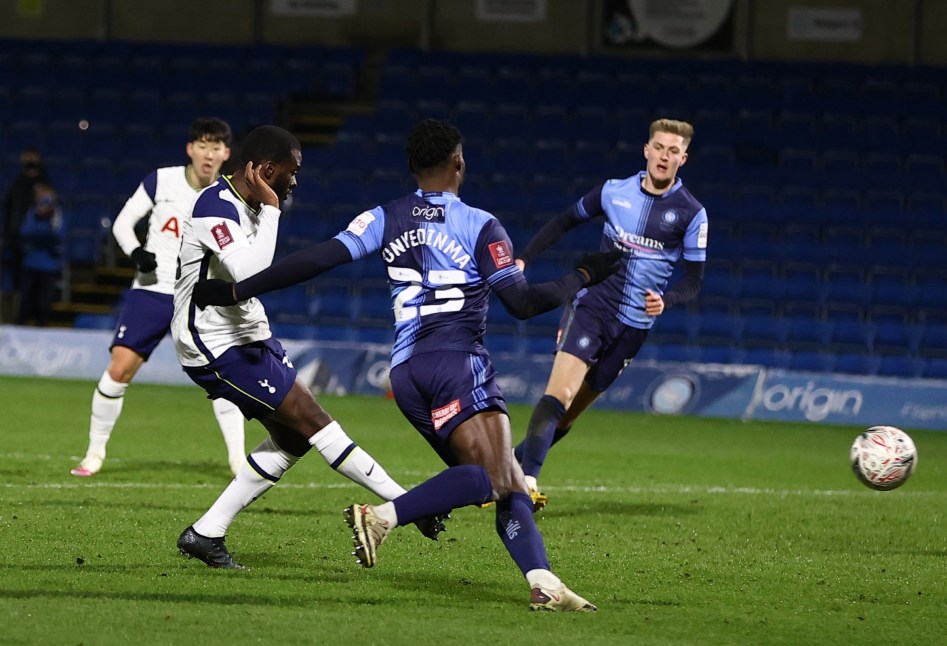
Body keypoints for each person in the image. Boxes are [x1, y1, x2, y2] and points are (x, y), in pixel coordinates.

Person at [191, 119, 622, 610]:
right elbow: (521, 303)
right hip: (456, 361)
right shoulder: (480, 224)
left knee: (500, 479)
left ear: (413, 167)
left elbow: (317, 259)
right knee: (497, 475)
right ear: (458, 162)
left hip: (408, 374)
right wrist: (585, 274)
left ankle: (543, 582)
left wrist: (236, 290)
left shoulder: (384, 216)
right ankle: (382, 517)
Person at [171, 124, 445, 570]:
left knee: (295, 437)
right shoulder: (215, 206)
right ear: (264, 169)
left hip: (246, 334)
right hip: (212, 342)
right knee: (316, 421)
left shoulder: (249, 203)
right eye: (290, 173)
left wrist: (270, 207)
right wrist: (275, 209)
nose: (295, 182)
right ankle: (408, 505)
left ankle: (206, 533)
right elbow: (247, 273)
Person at [512, 118, 707, 509]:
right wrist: (523, 258)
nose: (664, 156)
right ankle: (526, 483)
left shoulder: (692, 213)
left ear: (683, 159)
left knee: (567, 417)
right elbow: (564, 221)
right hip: (593, 306)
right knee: (560, 393)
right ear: (646, 150)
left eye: (673, 151)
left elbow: (694, 279)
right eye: (659, 147)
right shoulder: (613, 192)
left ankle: (502, 472)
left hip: (635, 326)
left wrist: (666, 301)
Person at [70, 118, 247, 477]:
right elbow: (122, 223)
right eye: (202, 145)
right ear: (190, 148)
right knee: (118, 370)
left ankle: (237, 461)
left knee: (223, 380)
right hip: (153, 290)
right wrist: (136, 253)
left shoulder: (230, 197)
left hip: (199, 298)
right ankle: (94, 454)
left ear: (226, 153)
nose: (208, 154)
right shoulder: (162, 180)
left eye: (216, 147)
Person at [2, 147, 49, 321]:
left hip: (41, 249)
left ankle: (38, 321)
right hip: (18, 245)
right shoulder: (16, 184)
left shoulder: (45, 184)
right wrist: (10, 237)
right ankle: (19, 321)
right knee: (20, 287)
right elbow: (8, 211)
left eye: (33, 157)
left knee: (40, 290)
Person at [17, 182, 64, 326]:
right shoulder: (32, 213)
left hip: (48, 265)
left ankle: (41, 327)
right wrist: (42, 236)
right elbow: (25, 233)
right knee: (26, 299)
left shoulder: (56, 214)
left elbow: (57, 236)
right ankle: (22, 326)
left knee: (43, 302)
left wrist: (39, 239)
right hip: (30, 263)